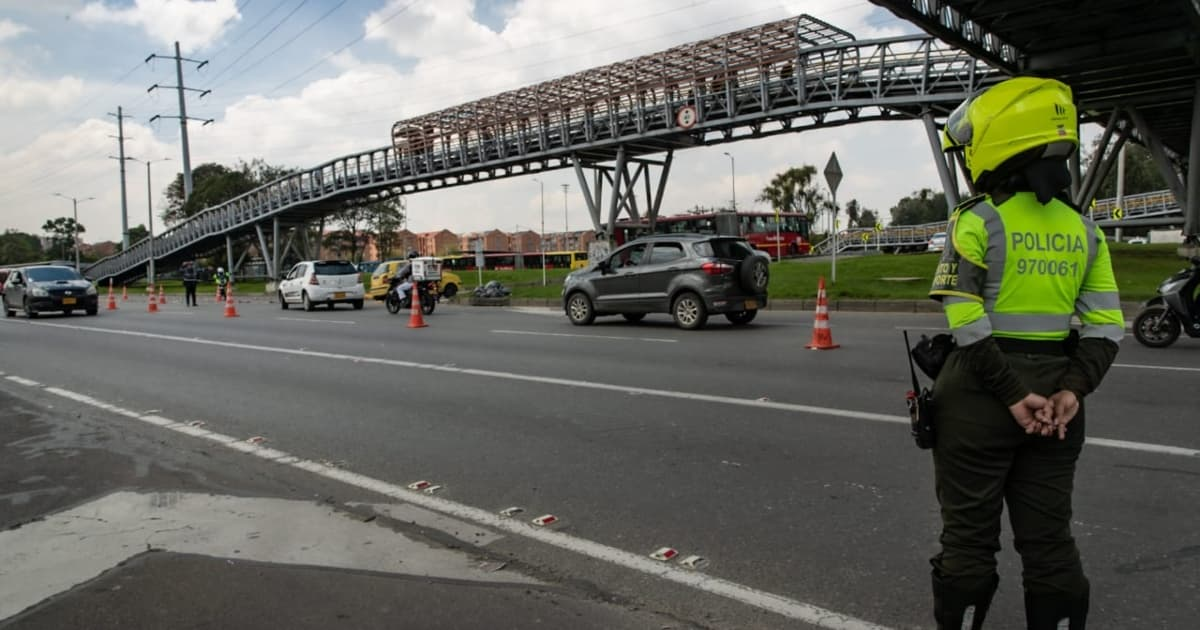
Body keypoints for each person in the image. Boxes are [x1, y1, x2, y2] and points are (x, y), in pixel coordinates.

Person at [926, 77, 1124, 629]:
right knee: (1050, 541)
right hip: (1059, 403)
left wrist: (1014, 396)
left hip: (980, 400)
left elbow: (964, 318)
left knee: (967, 540)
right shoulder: (1085, 231)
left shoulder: (978, 219)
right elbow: (1108, 327)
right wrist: (1070, 391)